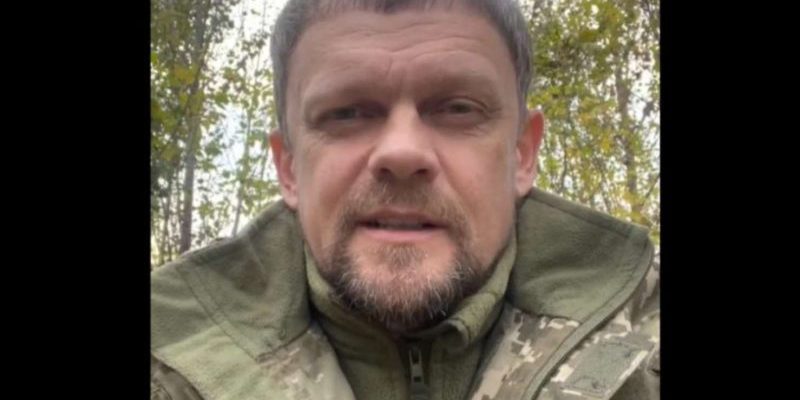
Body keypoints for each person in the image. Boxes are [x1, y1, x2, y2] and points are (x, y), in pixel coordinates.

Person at [151, 1, 660, 399]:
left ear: (522, 155)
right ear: (288, 168)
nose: (402, 152)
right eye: (347, 113)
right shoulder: (168, 364)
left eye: (458, 108)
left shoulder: (645, 342)